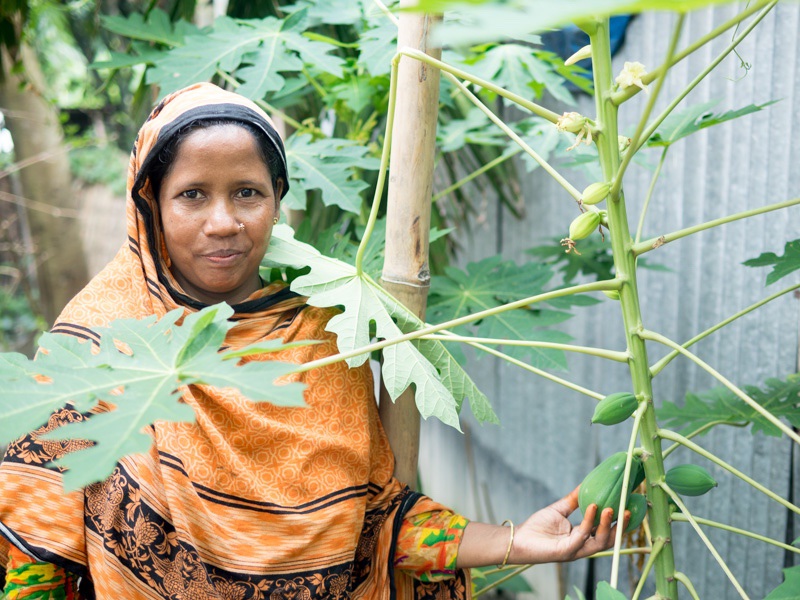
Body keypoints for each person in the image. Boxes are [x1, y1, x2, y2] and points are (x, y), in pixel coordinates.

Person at [0, 83, 622, 599]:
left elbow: (375, 519)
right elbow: (36, 548)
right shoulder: (97, 342)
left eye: (248, 192)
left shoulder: (322, 335)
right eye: (192, 195)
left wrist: (518, 541)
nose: (224, 222)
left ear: (277, 201)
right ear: (151, 205)